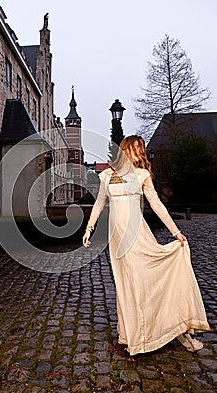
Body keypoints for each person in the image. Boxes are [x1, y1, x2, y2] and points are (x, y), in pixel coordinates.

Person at [82, 135, 210, 356]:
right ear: (125, 149)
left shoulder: (142, 175)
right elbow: (99, 203)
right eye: (136, 148)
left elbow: (157, 205)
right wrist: (89, 228)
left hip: (137, 235)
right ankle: (126, 337)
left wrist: (176, 231)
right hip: (117, 238)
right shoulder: (106, 176)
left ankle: (142, 339)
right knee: (123, 286)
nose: (139, 152)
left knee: (139, 284)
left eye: (141, 148)